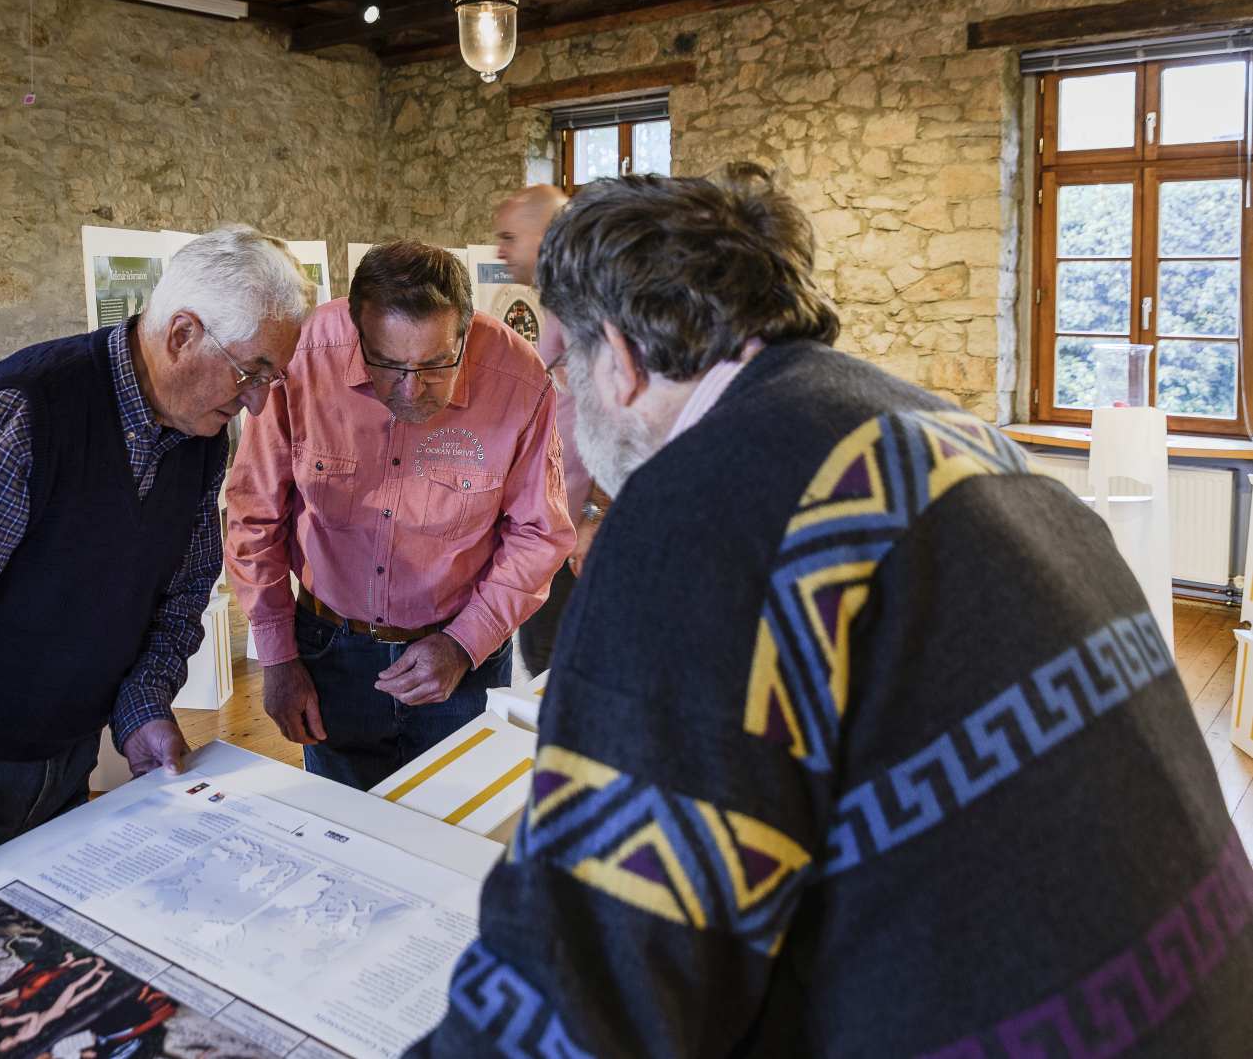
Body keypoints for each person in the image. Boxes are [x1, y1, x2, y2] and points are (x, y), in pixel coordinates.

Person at [411, 168, 1253, 1055]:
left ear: (615, 357)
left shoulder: (703, 507)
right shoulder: (961, 439)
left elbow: (587, 982)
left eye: (563, 362)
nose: (565, 394)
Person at [0, 224, 309, 925]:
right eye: (250, 371)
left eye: (270, 378)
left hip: (63, 774)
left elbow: (179, 595)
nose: (256, 401)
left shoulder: (199, 434)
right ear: (182, 333)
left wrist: (142, 706)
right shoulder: (27, 417)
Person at [226, 240, 573, 790]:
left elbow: (539, 534)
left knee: (455, 832)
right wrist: (277, 656)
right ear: (357, 333)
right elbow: (255, 514)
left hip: (463, 655)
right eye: (388, 365)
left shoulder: (518, 379)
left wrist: (464, 642)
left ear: (466, 332)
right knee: (341, 831)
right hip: (329, 650)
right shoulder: (303, 356)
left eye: (436, 365)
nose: (411, 390)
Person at [492, 184, 609, 678]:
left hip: (576, 528)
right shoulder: (557, 302)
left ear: (548, 235)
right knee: (544, 658)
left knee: (557, 667)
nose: (500, 251)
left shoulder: (583, 306)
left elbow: (612, 415)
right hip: (553, 520)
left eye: (509, 238)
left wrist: (593, 516)